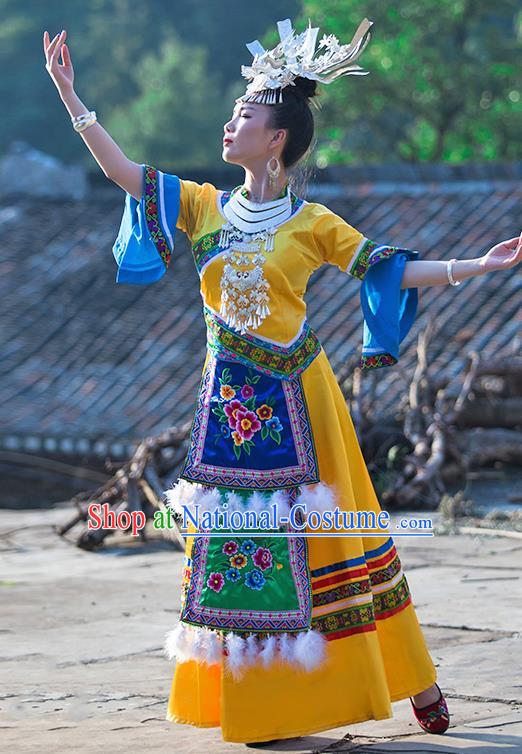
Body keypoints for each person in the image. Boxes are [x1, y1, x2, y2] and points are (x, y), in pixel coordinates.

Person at [44, 17, 522, 747]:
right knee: (239, 545)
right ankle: (261, 700)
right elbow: (127, 175)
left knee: (340, 539)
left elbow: (386, 270)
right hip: (230, 408)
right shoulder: (203, 205)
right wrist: (74, 101)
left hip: (301, 403)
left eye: (245, 117)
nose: (230, 124)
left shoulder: (312, 222)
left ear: (277, 141)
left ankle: (412, 676)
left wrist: (475, 268)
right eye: (233, 114)